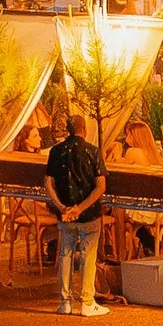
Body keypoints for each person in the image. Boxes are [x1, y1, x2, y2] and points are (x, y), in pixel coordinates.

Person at [45, 109, 106, 313]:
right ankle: (87, 301)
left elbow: (48, 182)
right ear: (84, 129)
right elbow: (100, 186)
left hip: (65, 213)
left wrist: (62, 207)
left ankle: (65, 302)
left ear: (69, 130)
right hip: (88, 214)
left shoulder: (56, 151)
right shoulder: (93, 151)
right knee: (89, 256)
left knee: (66, 254)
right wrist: (81, 207)